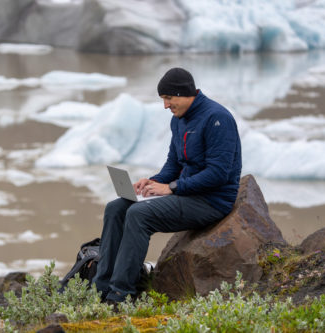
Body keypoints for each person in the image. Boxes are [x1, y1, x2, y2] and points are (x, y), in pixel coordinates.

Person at [93, 67, 242, 304]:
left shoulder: (217, 118)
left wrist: (171, 188)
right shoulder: (179, 121)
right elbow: (173, 165)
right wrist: (154, 181)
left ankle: (120, 294)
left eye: (168, 98)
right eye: (164, 99)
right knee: (116, 207)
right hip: (187, 193)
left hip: (211, 200)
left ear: (184, 94)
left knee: (139, 214)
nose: (165, 105)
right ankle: (100, 287)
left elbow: (218, 174)